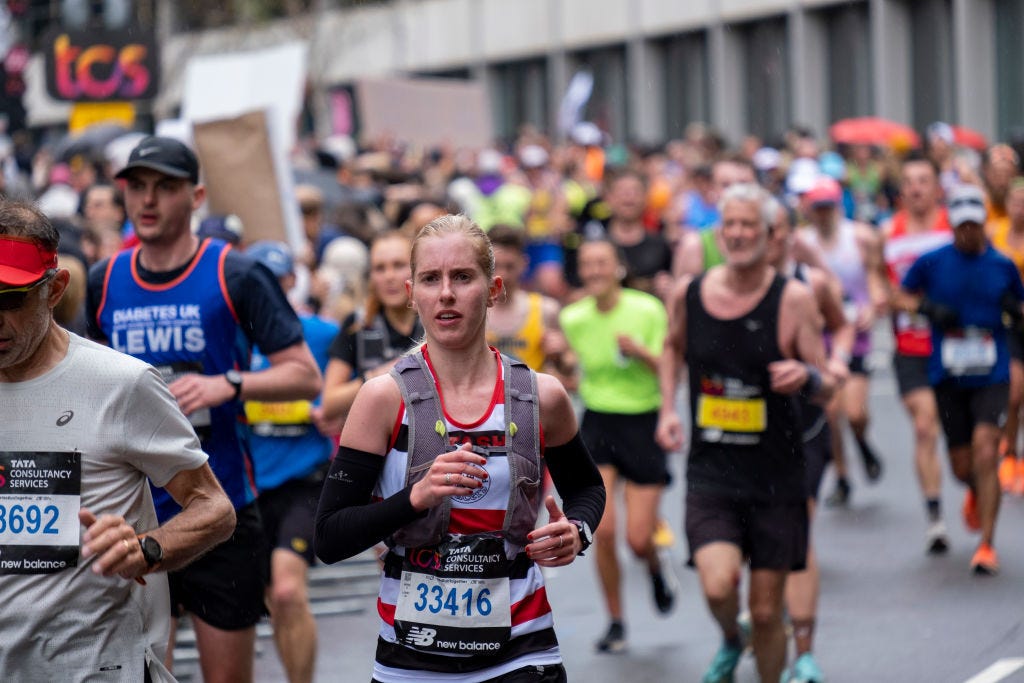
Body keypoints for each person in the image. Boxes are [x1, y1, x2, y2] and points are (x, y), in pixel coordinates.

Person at [314, 214, 605, 682]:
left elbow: (588, 489)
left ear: (494, 290)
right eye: (431, 279)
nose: (446, 293)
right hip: (411, 659)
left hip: (523, 651)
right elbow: (329, 537)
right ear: (412, 293)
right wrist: (416, 497)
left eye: (463, 277)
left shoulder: (541, 396)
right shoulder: (381, 400)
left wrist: (578, 532)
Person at [85, 136, 323, 683]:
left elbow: (304, 374)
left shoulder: (234, 273)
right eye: (137, 187)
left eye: (164, 187)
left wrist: (229, 384)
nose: (147, 200)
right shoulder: (105, 281)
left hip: (220, 511)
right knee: (140, 675)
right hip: (131, 517)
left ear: (196, 196)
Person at [0, 201, 235, 680]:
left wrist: (146, 549)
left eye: (12, 299)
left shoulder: (121, 383)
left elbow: (214, 508)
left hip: (96, 665)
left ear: (54, 290)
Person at [656, 183, 836, 683]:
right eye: (728, 224)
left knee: (764, 609)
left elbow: (828, 385)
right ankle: (732, 642)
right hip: (713, 472)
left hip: (778, 475)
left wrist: (808, 376)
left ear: (769, 233)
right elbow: (671, 348)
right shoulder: (690, 293)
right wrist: (668, 410)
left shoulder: (792, 298)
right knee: (717, 586)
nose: (737, 234)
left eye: (748, 225)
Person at [896, 184, 1024, 576]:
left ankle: (986, 545)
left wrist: (1014, 311)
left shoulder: (1002, 265)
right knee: (962, 464)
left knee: (987, 451)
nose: (968, 232)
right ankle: (974, 491)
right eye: (961, 226)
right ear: (952, 226)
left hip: (992, 372)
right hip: (947, 374)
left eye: (974, 225)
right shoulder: (931, 262)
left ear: (984, 223)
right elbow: (898, 296)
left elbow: (1020, 305)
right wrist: (926, 307)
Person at [559, 237, 675, 653]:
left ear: (619, 268)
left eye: (601, 263)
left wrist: (641, 352)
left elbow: (669, 366)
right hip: (598, 423)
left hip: (643, 423)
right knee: (602, 531)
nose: (593, 272)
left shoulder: (647, 309)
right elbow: (572, 368)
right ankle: (616, 621)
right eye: (587, 265)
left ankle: (656, 569)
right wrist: (566, 364)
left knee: (639, 539)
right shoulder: (573, 317)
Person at [244, 240, 339, 683]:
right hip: (249, 485)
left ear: (290, 282)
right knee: (270, 598)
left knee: (286, 590)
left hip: (306, 481)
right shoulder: (233, 338)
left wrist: (335, 408)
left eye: (279, 280)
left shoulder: (320, 333)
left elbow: (355, 377)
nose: (272, 289)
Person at [767, 198, 854, 683]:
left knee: (797, 527)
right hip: (747, 434)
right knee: (755, 541)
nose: (772, 238)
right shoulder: (724, 290)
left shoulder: (811, 281)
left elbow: (842, 327)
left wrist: (836, 362)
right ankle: (759, 619)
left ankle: (801, 652)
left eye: (779, 230)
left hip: (806, 425)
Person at [799, 176, 888, 505]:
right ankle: (842, 475)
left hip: (855, 333)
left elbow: (876, 279)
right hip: (819, 335)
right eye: (816, 208)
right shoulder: (801, 242)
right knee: (830, 411)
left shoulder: (861, 236)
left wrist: (873, 306)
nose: (822, 214)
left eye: (827, 207)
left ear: (838, 206)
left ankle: (863, 444)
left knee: (855, 413)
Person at [881, 152, 953, 553]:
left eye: (924, 180)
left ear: (937, 187)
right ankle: (935, 517)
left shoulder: (952, 229)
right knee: (925, 427)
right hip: (910, 347)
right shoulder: (887, 234)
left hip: (955, 347)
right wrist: (905, 304)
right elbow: (882, 289)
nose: (916, 188)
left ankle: (976, 481)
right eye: (909, 181)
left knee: (963, 443)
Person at [320, 230, 423, 425]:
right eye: (380, 268)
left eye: (399, 265)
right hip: (377, 440)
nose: (389, 276)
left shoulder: (435, 321)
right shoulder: (358, 324)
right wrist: (383, 374)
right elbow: (330, 402)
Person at [486, 224, 575, 386]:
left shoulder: (545, 309)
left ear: (523, 264)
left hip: (531, 406)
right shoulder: (474, 310)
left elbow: (570, 370)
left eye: (509, 266)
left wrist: (560, 354)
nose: (502, 275)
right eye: (495, 266)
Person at [988, 177, 1024, 495]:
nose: (1020, 207)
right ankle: (1010, 451)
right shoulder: (995, 233)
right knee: (1013, 393)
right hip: (1007, 322)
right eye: (1015, 200)